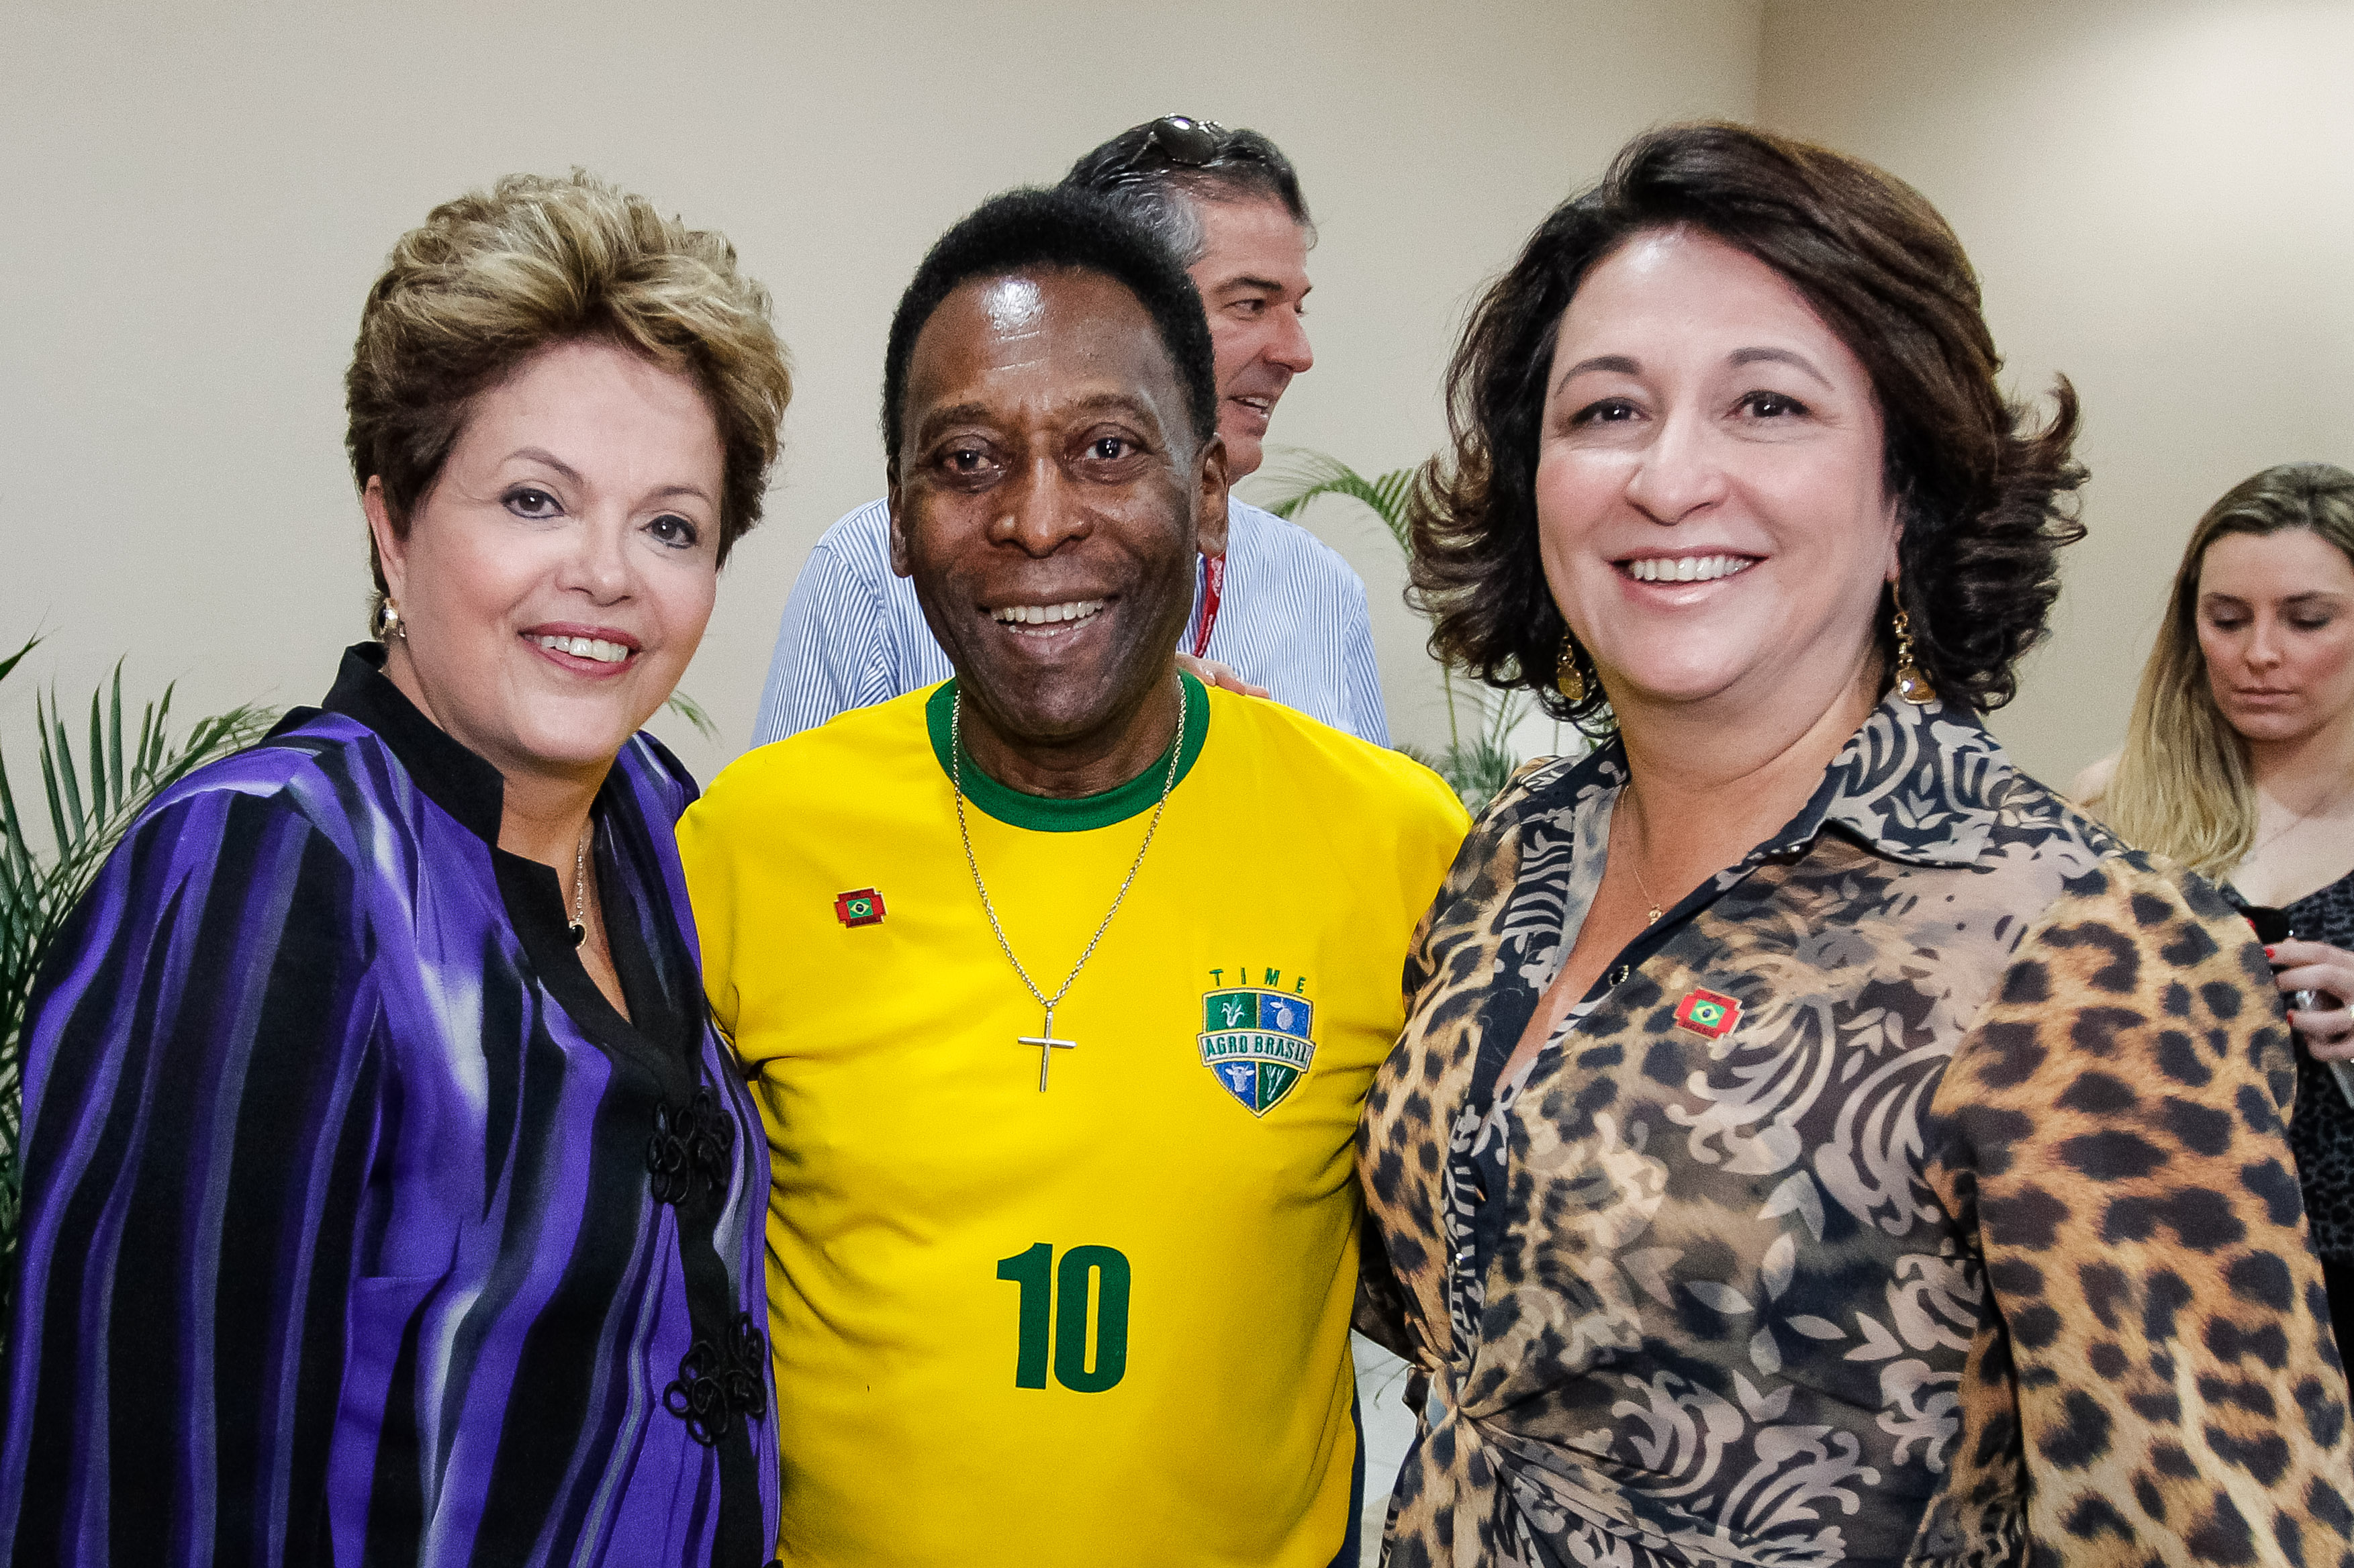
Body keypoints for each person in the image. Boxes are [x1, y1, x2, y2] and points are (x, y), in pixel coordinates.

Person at [1357, 123, 2353, 1565]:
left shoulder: (2082, 949)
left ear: (1906, 492)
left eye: (1766, 406)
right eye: (1604, 412)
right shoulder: (1514, 852)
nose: (1667, 477)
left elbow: (2214, 1533)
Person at [0, 173, 793, 1565]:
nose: (607, 574)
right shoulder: (263, 869)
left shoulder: (661, 826)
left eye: (670, 524)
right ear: (393, 519)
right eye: (535, 500)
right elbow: (144, 1492)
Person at [678, 187, 1467, 1567]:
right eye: (967, 460)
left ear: (1209, 485)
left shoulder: (1397, 849)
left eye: (1107, 450)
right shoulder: (746, 845)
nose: (1036, 522)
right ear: (900, 513)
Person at [751, 114, 1389, 746]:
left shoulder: (1321, 590)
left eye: (1296, 307)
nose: (1296, 351)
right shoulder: (866, 573)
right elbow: (801, 828)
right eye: (1250, 304)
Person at [2077, 462, 2354, 1350]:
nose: (2258, 653)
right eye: (2225, 619)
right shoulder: (2110, 809)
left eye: (2307, 620)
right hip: (2165, 1301)